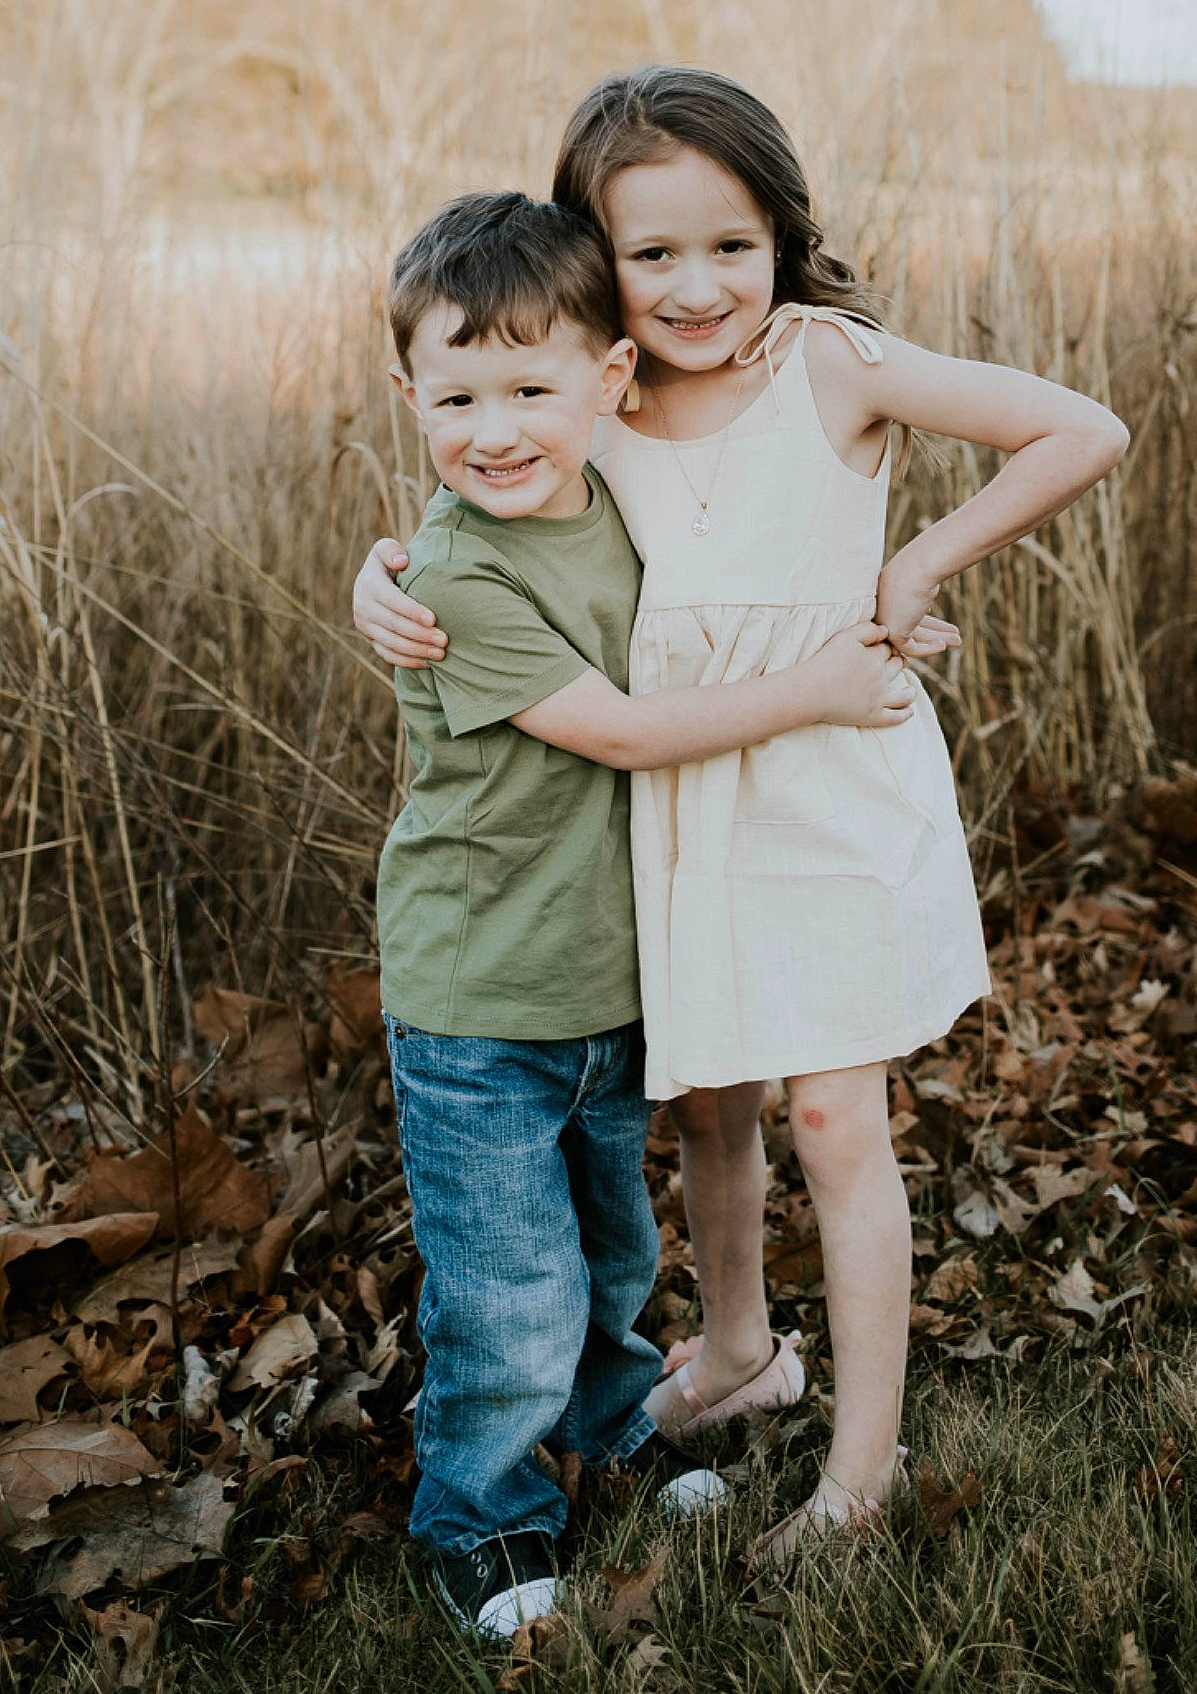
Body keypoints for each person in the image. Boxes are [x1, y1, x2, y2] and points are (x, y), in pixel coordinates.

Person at [357, 72, 1129, 1565]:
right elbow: (489, 488)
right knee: (710, 1100)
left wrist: (915, 574)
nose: (695, 286)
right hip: (677, 790)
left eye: (730, 244)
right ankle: (731, 1353)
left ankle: (857, 1475)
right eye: (650, 256)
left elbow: (1075, 429)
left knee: (834, 1115)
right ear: (593, 264)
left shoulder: (825, 364)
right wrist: (377, 574)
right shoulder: (600, 383)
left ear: (780, 233)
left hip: (825, 767)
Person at [372, 187, 918, 1636]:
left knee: (611, 1254)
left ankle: (613, 1429)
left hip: (606, 983)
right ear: (410, 397)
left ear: (608, 386)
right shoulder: (459, 570)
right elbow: (622, 730)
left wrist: (883, 598)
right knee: (510, 1287)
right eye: (455, 397)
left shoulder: (608, 493)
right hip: (480, 995)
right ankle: (482, 1516)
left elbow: (737, 563)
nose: (494, 428)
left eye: (529, 390)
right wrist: (823, 690)